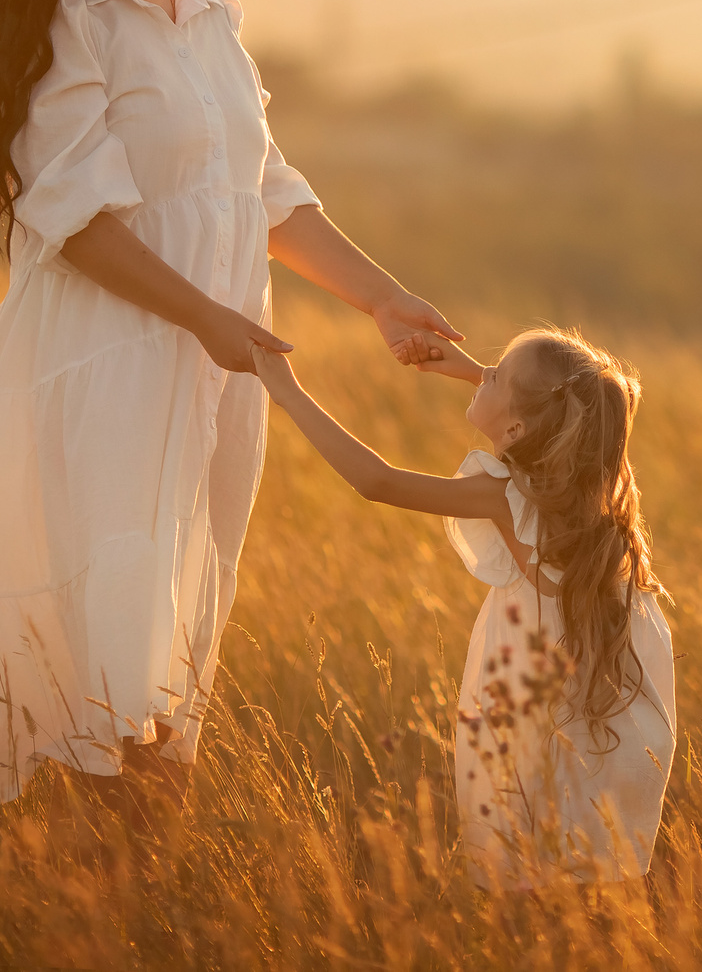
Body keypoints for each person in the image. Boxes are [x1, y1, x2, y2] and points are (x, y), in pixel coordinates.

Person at [0, 0, 460, 816]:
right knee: (111, 632)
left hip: (224, 365)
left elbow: (261, 191)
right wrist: (205, 318)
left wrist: (383, 299)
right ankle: (87, 877)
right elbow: (79, 223)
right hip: (115, 359)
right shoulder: (72, 25)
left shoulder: (215, 20)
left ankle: (132, 881)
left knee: (183, 618)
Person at [252, 330, 675, 889]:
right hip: (606, 719)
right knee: (589, 880)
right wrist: (477, 373)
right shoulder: (589, 485)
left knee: (529, 874)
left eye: (496, 373)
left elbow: (376, 481)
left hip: (543, 716)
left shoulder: (507, 494)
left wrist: (286, 392)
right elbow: (551, 403)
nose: (486, 373)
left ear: (519, 428)